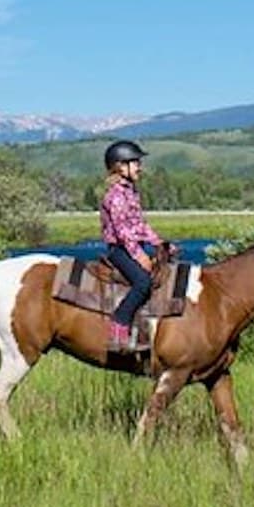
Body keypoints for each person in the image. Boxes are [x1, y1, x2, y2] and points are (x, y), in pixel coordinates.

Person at [98, 140, 162, 352]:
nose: (139, 167)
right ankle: (120, 322)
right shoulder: (115, 195)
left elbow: (140, 225)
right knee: (143, 282)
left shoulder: (131, 192)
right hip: (120, 250)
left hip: (134, 247)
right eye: (135, 162)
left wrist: (159, 243)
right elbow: (122, 231)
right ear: (120, 166)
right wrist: (139, 256)